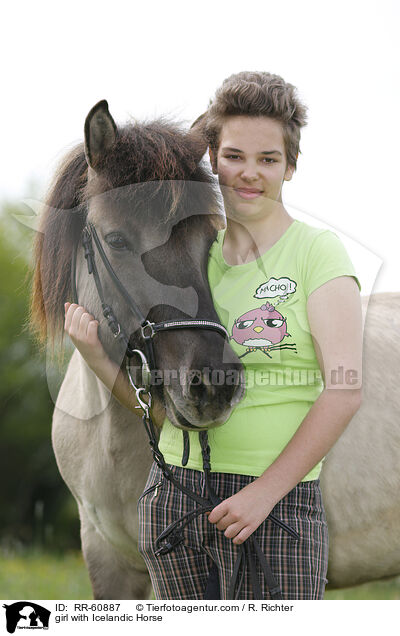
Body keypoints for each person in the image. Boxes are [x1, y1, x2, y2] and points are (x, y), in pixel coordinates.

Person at [64, 71, 363, 600]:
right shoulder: (196, 261)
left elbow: (345, 388)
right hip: (178, 502)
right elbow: (155, 412)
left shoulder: (317, 253)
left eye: (268, 159)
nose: (249, 174)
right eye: (234, 157)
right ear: (213, 159)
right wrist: (94, 356)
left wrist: (264, 495)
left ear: (290, 166)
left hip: (274, 510)